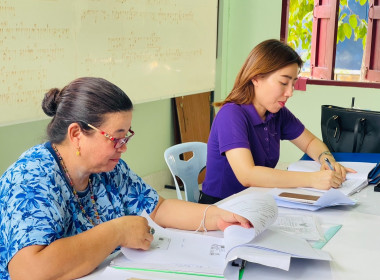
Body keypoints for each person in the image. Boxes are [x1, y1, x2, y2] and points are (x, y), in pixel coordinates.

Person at [0, 77, 252, 280]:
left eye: (126, 136)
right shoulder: (31, 178)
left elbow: (157, 208)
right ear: (76, 133)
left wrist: (217, 216)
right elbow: (28, 271)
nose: (123, 147)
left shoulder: (107, 168)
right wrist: (117, 232)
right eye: (116, 138)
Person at [199, 39, 354, 204]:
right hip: (221, 206)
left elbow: (309, 142)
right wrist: (312, 179)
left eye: (293, 84)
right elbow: (247, 175)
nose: (290, 92)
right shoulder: (230, 115)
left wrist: (327, 160)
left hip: (255, 201)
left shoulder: (276, 112)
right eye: (283, 83)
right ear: (256, 78)